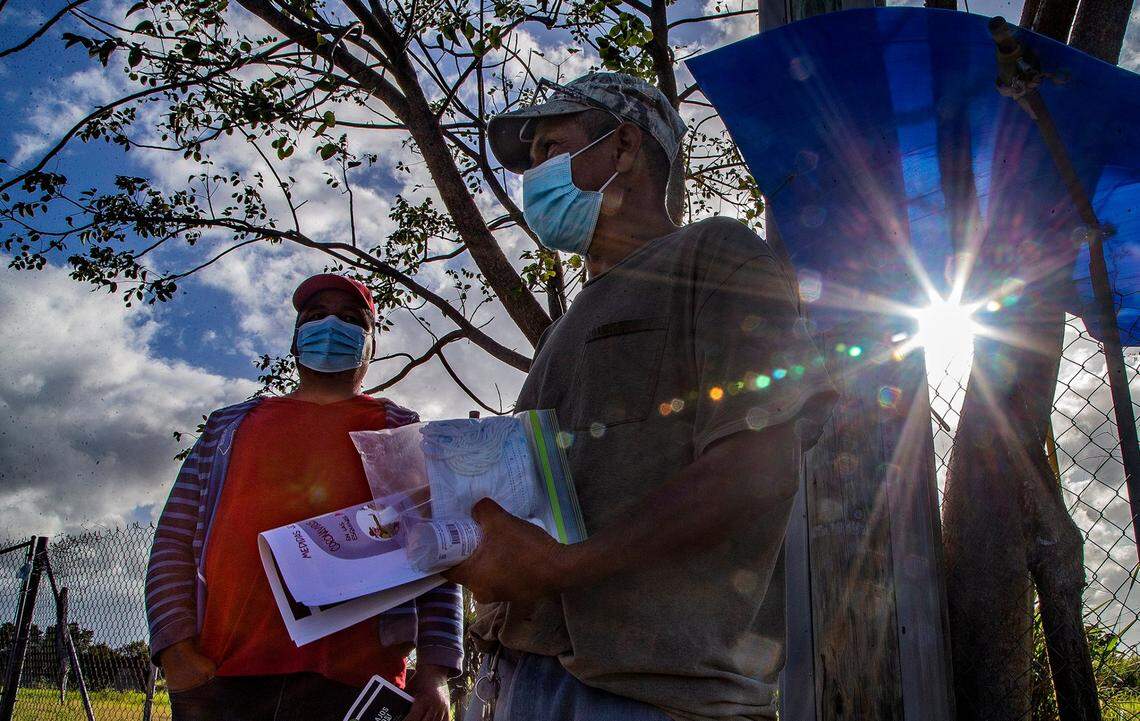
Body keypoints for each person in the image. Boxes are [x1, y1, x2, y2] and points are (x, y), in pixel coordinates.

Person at [446, 73, 837, 721]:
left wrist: (571, 565)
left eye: (549, 148)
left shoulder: (715, 253)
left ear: (623, 146)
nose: (533, 175)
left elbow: (758, 466)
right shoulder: (564, 328)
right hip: (511, 681)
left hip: (654, 689)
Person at [146, 273, 460, 721]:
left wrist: (435, 672)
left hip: (357, 686)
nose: (331, 327)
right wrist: (176, 651)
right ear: (296, 342)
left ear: (371, 345)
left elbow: (436, 553)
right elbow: (173, 542)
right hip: (223, 679)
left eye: (351, 319)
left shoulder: (399, 428)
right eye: (315, 317)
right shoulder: (227, 427)